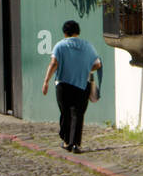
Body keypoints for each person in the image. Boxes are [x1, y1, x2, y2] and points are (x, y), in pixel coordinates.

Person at [41, 20, 101, 153]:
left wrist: (46, 81)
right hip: (81, 84)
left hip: (63, 84)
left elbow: (54, 63)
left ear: (64, 33)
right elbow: (97, 64)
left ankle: (66, 140)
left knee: (65, 112)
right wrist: (85, 69)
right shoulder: (87, 46)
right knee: (78, 114)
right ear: (78, 31)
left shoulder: (59, 46)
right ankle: (75, 145)